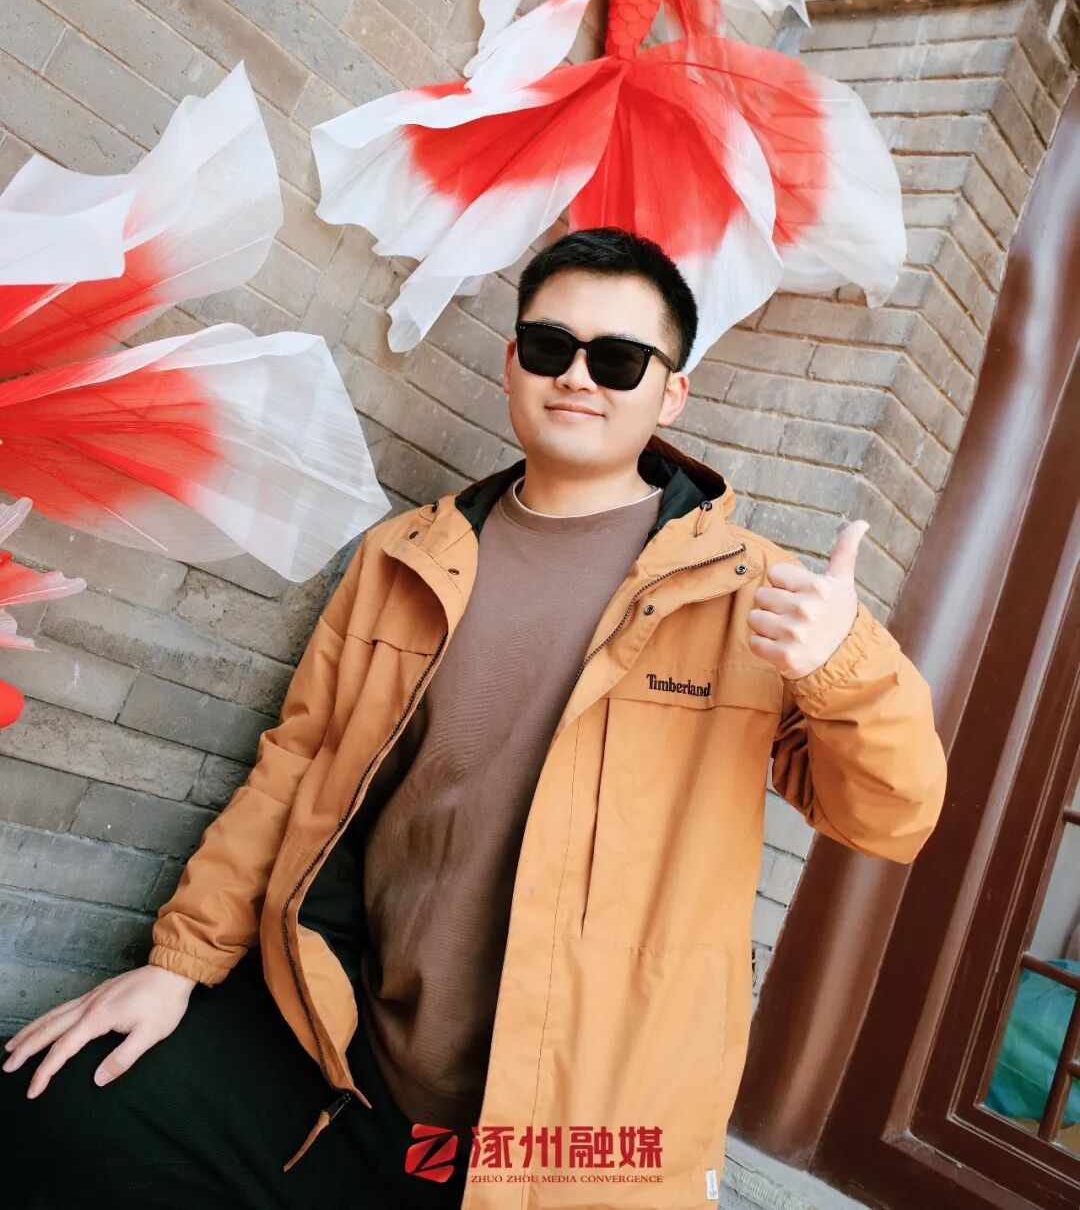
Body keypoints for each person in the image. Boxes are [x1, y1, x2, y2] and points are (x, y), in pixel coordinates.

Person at [1, 226, 948, 1209]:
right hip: (343, 1051)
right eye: (550, 347)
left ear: (671, 394)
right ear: (511, 364)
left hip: (567, 1133)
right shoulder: (407, 556)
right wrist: (181, 964)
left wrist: (845, 667)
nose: (576, 377)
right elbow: (295, 763)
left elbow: (892, 818)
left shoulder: (753, 595)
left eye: (619, 361)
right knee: (55, 1107)